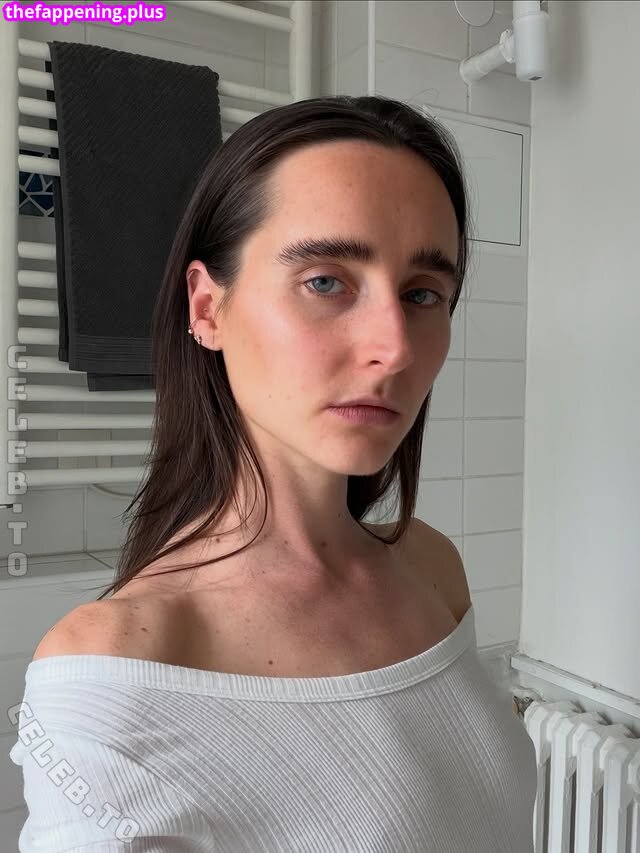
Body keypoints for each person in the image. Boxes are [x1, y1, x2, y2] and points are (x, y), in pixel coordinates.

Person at [9, 95, 538, 852]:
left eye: (423, 293)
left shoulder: (431, 564)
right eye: (325, 281)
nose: (394, 346)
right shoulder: (117, 671)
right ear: (207, 307)